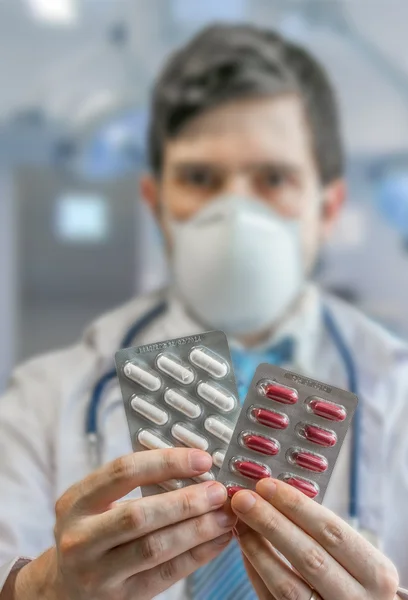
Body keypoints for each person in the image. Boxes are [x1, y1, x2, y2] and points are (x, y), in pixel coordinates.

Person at [0, 23, 407, 600]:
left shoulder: (399, 387)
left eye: (273, 178)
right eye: (199, 178)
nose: (235, 212)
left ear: (328, 206)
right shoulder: (45, 397)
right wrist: (38, 590)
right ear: (156, 203)